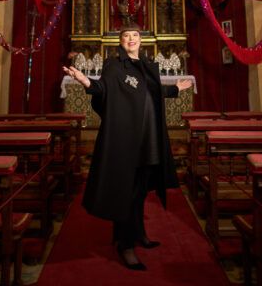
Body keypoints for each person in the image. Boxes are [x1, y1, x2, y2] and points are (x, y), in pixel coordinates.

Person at [63, 24, 192, 271]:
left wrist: (176, 89)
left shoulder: (146, 65)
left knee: (141, 189)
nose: (131, 39)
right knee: (126, 191)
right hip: (126, 138)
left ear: (140, 41)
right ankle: (125, 244)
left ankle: (138, 233)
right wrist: (85, 81)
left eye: (135, 35)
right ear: (120, 42)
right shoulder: (114, 66)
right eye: (126, 36)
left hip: (148, 136)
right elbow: (103, 90)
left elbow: (152, 92)